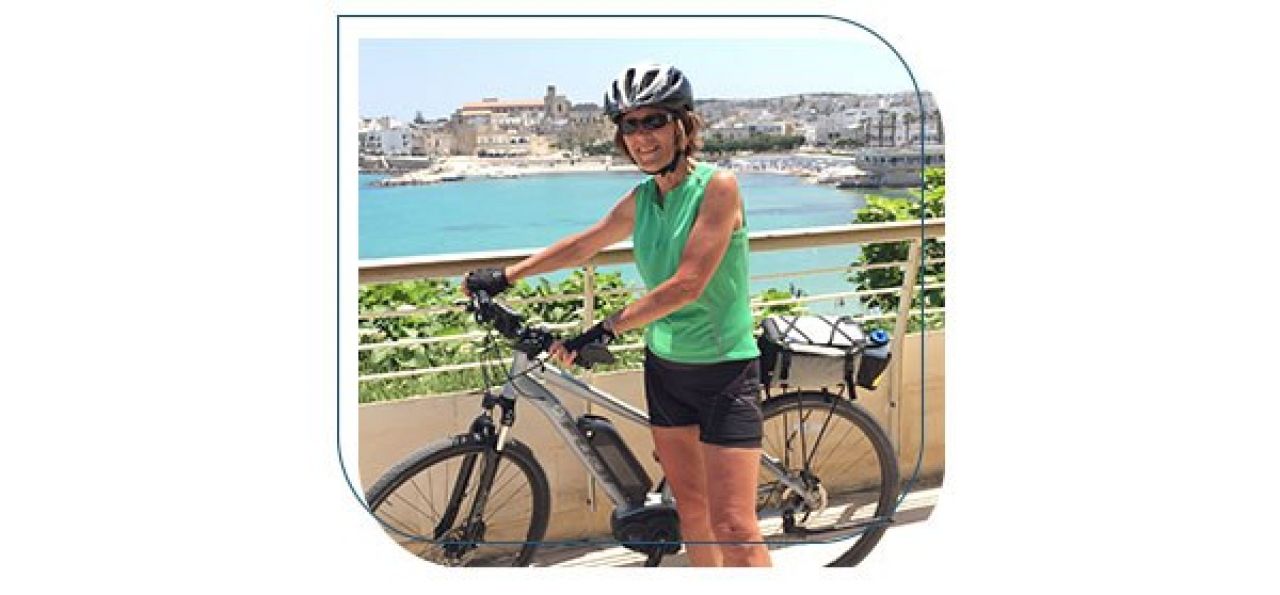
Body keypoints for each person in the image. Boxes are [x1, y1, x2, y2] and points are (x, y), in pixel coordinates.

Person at [463, 63, 770, 567]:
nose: (641, 136)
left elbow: (689, 284)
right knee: (691, 511)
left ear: (682, 126)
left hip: (724, 370)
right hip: (667, 370)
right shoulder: (645, 197)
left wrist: (605, 328)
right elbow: (585, 243)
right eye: (630, 124)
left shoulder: (719, 187)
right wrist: (507, 275)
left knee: (734, 526)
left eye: (653, 121)